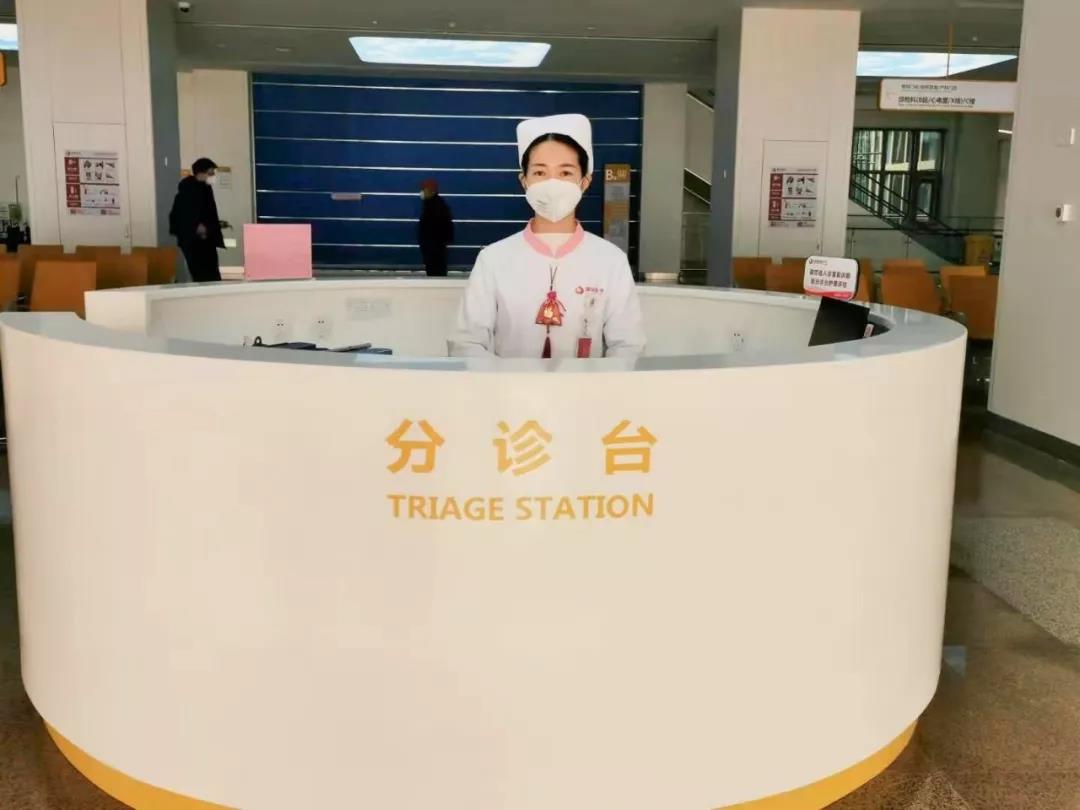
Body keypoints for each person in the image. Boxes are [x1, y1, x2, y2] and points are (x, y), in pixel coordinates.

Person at [449, 114, 644, 359]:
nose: (552, 183)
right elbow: (466, 343)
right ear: (524, 181)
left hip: (586, 384)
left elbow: (628, 346)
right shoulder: (493, 259)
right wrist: (503, 379)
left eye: (565, 173)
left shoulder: (610, 260)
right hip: (509, 383)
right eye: (540, 172)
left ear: (585, 182)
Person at [169, 158, 228, 283]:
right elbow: (183, 215)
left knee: (212, 273)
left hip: (207, 240)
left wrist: (213, 226)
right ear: (201, 173)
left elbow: (208, 212)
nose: (213, 176)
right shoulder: (188, 190)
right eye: (210, 173)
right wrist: (196, 226)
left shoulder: (206, 188)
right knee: (202, 275)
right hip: (193, 241)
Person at [418, 179, 454, 277]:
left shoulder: (434, 206)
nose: (422, 192)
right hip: (435, 245)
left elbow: (435, 227)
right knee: (436, 270)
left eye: (424, 190)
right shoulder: (435, 204)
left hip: (434, 246)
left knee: (435, 270)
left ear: (431, 191)